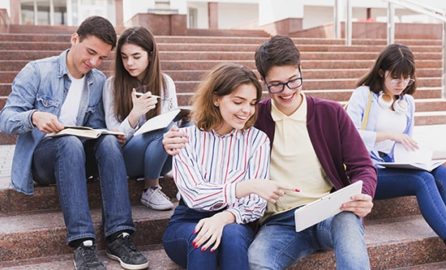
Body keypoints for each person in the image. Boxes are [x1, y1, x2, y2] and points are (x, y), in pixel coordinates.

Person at [163, 36, 377, 270]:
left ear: (300, 71)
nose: (287, 91)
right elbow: (216, 122)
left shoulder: (331, 113)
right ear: (264, 82)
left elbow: (363, 167)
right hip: (279, 223)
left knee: (347, 220)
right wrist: (168, 140)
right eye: (276, 84)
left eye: (293, 81)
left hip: (326, 212)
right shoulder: (254, 118)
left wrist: (364, 194)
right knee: (255, 261)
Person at [0, 16, 148, 270]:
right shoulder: (37, 71)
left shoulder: (98, 80)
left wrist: (111, 134)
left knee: (109, 142)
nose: (93, 62)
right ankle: (83, 244)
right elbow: (6, 119)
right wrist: (34, 116)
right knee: (68, 142)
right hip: (43, 160)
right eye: (90, 52)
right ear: (74, 39)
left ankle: (119, 236)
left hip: (79, 155)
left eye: (101, 57)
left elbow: (98, 127)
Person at [162, 63, 296, 270]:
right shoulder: (184, 137)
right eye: (238, 101)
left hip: (236, 220)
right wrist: (247, 186)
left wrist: (224, 217)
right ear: (216, 98)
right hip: (188, 220)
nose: (247, 110)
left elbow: (255, 204)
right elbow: (194, 195)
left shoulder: (257, 140)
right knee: (202, 240)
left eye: (252, 103)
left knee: (232, 235)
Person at [346, 43, 446, 249]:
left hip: (395, 165)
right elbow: (350, 135)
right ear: (382, 72)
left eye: (406, 77)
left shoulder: (408, 102)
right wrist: (389, 135)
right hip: (367, 170)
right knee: (422, 180)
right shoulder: (363, 96)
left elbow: (406, 142)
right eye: (396, 77)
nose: (401, 83)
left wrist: (421, 157)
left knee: (442, 173)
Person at [103, 26, 175, 211]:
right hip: (128, 158)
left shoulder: (165, 82)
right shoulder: (112, 85)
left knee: (179, 127)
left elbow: (171, 125)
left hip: (161, 159)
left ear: (150, 56)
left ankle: (190, 183)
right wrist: (135, 114)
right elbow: (115, 136)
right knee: (162, 131)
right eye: (124, 57)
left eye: (136, 56)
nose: (129, 63)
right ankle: (151, 188)